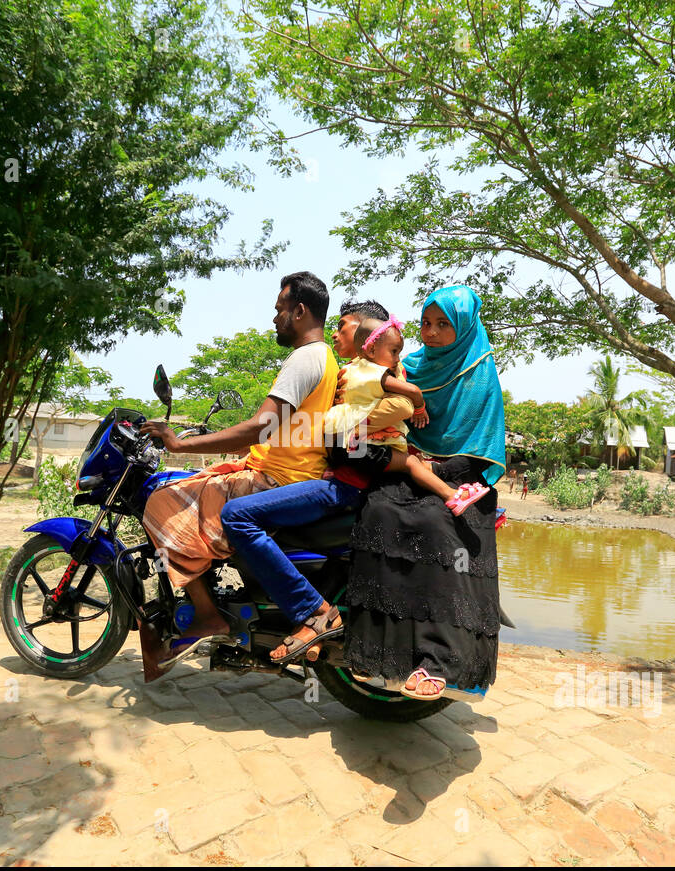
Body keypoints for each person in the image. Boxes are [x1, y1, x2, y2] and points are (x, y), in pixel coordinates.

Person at [136, 271, 338, 681]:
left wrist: (179, 445)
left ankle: (210, 615)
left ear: (300, 311)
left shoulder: (305, 357)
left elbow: (260, 425)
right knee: (189, 491)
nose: (275, 319)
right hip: (282, 468)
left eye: (280, 310)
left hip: (279, 479)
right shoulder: (325, 357)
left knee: (161, 500)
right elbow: (282, 430)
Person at [219, 301, 416, 665]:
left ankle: (314, 610)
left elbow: (403, 406)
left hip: (344, 485)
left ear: (365, 335)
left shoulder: (377, 371)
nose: (337, 334)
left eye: (344, 327)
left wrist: (353, 422)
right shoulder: (348, 372)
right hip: (334, 478)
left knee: (236, 516)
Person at [342, 284, 506, 702]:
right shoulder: (408, 365)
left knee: (437, 523)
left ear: (464, 327)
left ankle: (437, 663)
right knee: (378, 512)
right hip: (407, 462)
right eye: (425, 324)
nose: (430, 333)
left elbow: (478, 442)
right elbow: (370, 391)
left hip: (458, 471)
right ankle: (375, 654)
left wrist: (442, 471)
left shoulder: (479, 369)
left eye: (442, 325)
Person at [322, 314, 490, 514]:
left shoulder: (349, 369)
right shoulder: (373, 371)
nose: (397, 360)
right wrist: (419, 407)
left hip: (341, 447)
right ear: (372, 349)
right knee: (410, 463)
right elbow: (412, 392)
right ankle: (451, 495)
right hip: (359, 447)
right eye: (394, 352)